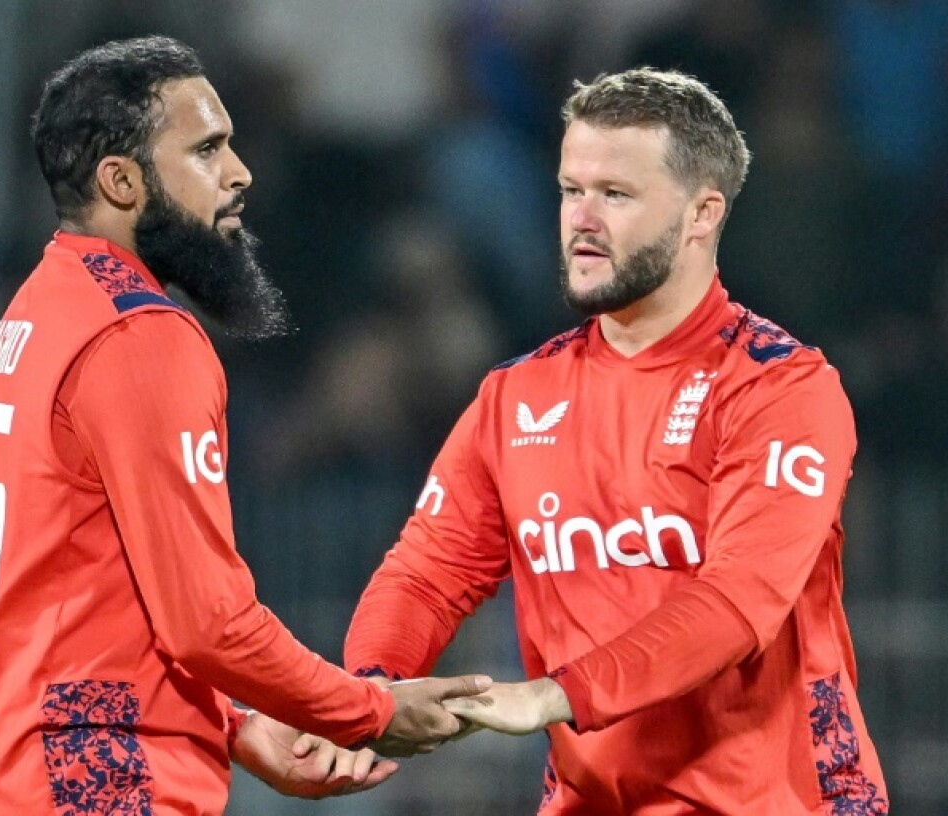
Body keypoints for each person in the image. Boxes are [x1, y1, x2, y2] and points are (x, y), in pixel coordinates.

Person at [0, 36, 489, 816]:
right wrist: (368, 711)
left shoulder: (38, 315)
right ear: (122, 181)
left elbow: (100, 598)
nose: (240, 173)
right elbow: (206, 621)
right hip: (102, 785)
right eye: (206, 150)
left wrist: (231, 726)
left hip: (12, 769)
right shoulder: (139, 336)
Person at [345, 68, 889, 814]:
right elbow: (426, 574)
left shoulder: (779, 386)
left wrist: (557, 694)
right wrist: (370, 690)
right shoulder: (517, 396)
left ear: (702, 215)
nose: (582, 219)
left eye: (617, 195)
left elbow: (739, 601)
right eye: (572, 190)